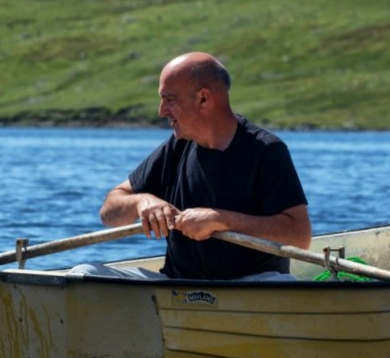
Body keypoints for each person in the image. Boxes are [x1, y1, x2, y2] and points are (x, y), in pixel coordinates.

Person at [87, 52, 311, 280]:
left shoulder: (267, 150)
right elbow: (109, 213)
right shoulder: (176, 147)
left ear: (203, 98)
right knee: (86, 273)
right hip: (176, 289)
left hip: (250, 289)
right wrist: (141, 202)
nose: (161, 111)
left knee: (279, 282)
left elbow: (300, 235)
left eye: (170, 100)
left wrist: (220, 220)